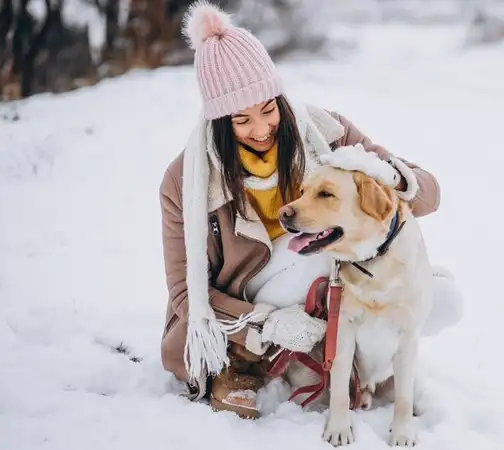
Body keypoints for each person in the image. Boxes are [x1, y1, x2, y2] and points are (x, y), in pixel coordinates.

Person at [158, 0, 464, 419]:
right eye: (241, 120)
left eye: (269, 109)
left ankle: (367, 363)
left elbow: (427, 196)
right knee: (314, 255)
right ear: (219, 121)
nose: (261, 129)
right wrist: (264, 322)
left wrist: (388, 174)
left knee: (442, 300)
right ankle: (242, 359)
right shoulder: (184, 180)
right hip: (250, 297)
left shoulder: (326, 132)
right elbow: (184, 293)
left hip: (326, 271)